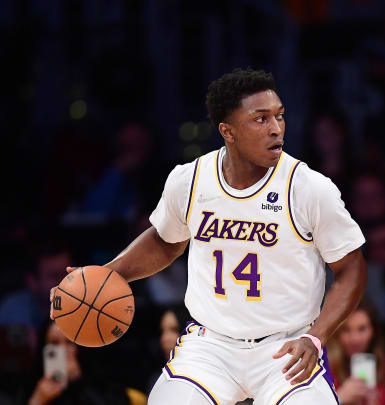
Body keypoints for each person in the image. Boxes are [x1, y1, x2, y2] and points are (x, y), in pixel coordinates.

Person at [51, 68, 368, 405]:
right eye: (261, 119)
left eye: (279, 116)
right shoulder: (190, 180)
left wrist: (316, 338)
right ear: (227, 131)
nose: (276, 128)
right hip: (211, 344)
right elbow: (166, 240)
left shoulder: (309, 188)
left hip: (288, 345)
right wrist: (108, 273)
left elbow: (352, 268)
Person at [25, 321, 144, 405]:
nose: (63, 350)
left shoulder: (103, 385)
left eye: (69, 342)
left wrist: (79, 382)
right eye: (54, 343)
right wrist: (38, 400)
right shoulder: (30, 387)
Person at [326, 299, 385, 405]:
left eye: (362, 329)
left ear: (373, 331)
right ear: (337, 333)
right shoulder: (326, 369)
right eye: (346, 330)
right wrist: (340, 398)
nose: (355, 339)